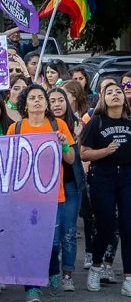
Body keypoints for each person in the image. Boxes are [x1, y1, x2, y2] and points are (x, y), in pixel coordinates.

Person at [6, 83, 75, 301]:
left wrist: (63, 145)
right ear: (25, 104)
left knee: (52, 243)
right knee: (29, 242)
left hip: (53, 196)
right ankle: (32, 287)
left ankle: (53, 269)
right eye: (32, 98)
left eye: (41, 97)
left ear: (46, 103)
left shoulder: (59, 125)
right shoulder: (15, 129)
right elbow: (8, 162)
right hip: (24, 197)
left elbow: (71, 159)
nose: (37, 101)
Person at [80, 82, 131, 295]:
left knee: (128, 226)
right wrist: (105, 151)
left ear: (125, 98)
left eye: (118, 92)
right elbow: (84, 153)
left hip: (127, 177)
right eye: (109, 93)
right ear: (104, 99)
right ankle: (96, 267)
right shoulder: (96, 122)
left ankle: (128, 277)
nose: (115, 95)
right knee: (106, 225)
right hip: (103, 177)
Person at [48, 87, 86, 292]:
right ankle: (50, 271)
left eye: (60, 99)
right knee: (50, 234)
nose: (56, 104)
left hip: (70, 184)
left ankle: (68, 274)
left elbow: (74, 158)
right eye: (51, 100)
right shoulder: (42, 124)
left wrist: (72, 139)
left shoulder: (77, 125)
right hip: (46, 188)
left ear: (68, 101)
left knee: (69, 232)